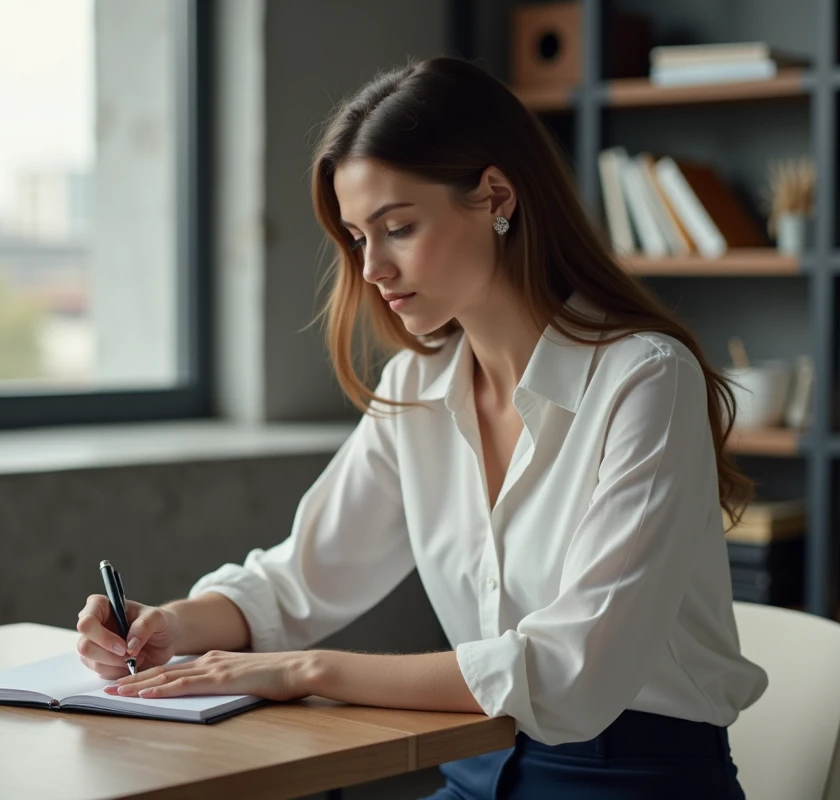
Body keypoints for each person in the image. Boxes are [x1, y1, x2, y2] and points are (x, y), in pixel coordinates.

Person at [75, 56, 768, 798]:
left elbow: (573, 671)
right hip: (475, 767)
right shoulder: (418, 385)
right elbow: (300, 578)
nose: (372, 267)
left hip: (632, 780)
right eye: (356, 238)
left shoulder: (644, 379)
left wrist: (307, 671)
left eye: (397, 228)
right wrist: (172, 626)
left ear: (496, 196)